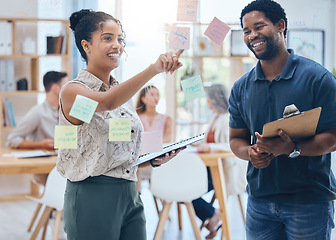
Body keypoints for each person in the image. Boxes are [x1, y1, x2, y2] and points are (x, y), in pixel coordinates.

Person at [57, 9, 184, 240]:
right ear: (86, 46)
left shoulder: (121, 98)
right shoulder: (72, 92)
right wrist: (154, 69)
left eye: (120, 39)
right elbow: (106, 102)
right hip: (91, 196)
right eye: (108, 38)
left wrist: (150, 160)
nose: (117, 45)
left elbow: (115, 149)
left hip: (130, 194)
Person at [228, 0, 336, 239]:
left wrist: (292, 148)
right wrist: (250, 154)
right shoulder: (241, 87)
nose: (253, 35)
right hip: (259, 202)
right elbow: (236, 139)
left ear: (280, 25)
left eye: (259, 27)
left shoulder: (318, 78)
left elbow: (333, 137)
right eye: (247, 31)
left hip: (308, 201)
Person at [192, 84, 247, 239]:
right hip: (210, 169)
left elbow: (231, 145)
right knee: (184, 188)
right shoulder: (214, 117)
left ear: (215, 99)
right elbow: (209, 141)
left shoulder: (227, 118)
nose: (207, 101)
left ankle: (212, 215)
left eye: (209, 98)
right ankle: (213, 214)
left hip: (223, 171)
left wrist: (209, 147)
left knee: (188, 190)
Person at [6, 71, 68, 185]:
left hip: (64, 165)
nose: (70, 88)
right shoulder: (38, 113)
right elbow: (12, 139)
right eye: (66, 84)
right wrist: (41, 144)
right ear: (55, 88)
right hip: (47, 170)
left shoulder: (68, 112)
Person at [135, 85, 173, 194]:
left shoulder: (166, 119)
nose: (156, 97)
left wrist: (146, 141)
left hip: (159, 160)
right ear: (143, 99)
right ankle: (136, 197)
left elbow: (168, 138)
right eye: (152, 94)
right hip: (141, 161)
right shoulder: (136, 118)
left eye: (157, 94)